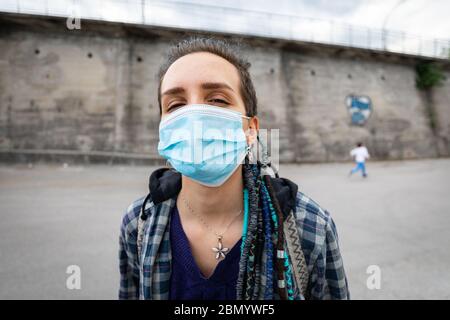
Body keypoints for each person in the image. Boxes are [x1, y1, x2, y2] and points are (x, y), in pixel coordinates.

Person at [118, 37, 349, 300]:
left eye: (217, 99)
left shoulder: (311, 227)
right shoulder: (138, 223)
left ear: (251, 129)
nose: (194, 115)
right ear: (162, 127)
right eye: (176, 105)